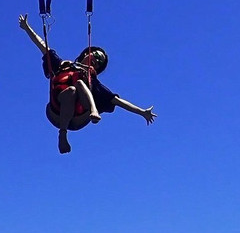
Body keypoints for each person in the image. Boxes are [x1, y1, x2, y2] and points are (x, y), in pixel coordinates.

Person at [18, 14, 156, 154]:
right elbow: (43, 46)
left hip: (79, 118)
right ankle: (62, 134)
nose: (96, 60)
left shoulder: (93, 82)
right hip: (56, 112)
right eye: (95, 56)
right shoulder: (63, 66)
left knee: (79, 83)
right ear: (86, 54)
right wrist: (26, 28)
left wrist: (142, 112)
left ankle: (93, 110)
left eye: (99, 62)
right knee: (72, 88)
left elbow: (117, 101)